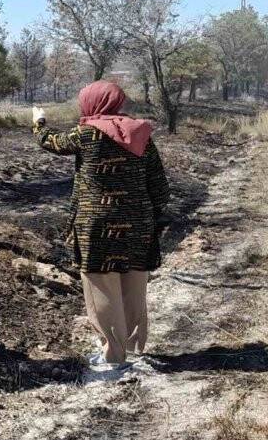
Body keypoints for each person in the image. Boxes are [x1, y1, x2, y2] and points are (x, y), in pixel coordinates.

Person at [32, 80, 170, 370]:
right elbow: (158, 183)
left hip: (97, 225)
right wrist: (153, 217)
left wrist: (39, 121)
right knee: (134, 283)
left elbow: (51, 142)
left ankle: (113, 355)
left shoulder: (86, 134)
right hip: (138, 223)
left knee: (102, 286)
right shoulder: (141, 133)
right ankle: (133, 347)